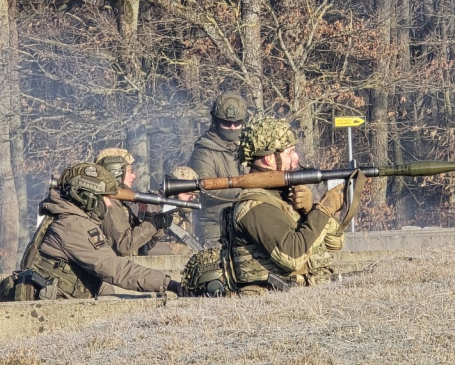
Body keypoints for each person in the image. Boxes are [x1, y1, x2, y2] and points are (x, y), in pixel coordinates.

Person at [4, 162, 184, 300]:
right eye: (105, 197)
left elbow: (96, 281)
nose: (108, 203)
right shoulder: (73, 225)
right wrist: (170, 284)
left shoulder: (66, 217)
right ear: (86, 198)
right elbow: (115, 269)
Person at [223, 117, 345, 294]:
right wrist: (323, 209)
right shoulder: (254, 205)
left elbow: (336, 242)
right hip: (268, 307)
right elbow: (292, 256)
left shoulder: (284, 195)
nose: (297, 158)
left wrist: (310, 210)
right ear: (268, 159)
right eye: (290, 152)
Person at [188, 92, 248, 246]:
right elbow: (207, 189)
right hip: (215, 228)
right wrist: (247, 190)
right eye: (227, 123)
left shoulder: (248, 147)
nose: (232, 127)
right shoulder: (203, 151)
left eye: (237, 123)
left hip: (247, 225)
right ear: (215, 121)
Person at [95, 147, 171, 256]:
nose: (134, 176)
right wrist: (151, 225)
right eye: (130, 171)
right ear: (116, 172)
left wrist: (156, 227)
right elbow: (123, 246)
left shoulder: (121, 202)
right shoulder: (109, 201)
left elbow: (141, 248)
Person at [142, 165, 203, 260]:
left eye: (194, 195)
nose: (192, 198)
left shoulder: (181, 216)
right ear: (173, 189)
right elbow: (142, 248)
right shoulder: (151, 207)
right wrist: (177, 250)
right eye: (188, 193)